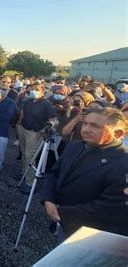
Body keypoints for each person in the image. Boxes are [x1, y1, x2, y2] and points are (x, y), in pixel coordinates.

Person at [42, 107, 128, 239]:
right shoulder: (75, 146)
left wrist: (62, 211)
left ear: (117, 134)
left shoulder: (123, 163)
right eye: (85, 123)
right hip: (61, 220)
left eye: (95, 126)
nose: (86, 129)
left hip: (86, 234)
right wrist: (48, 198)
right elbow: (54, 173)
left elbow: (109, 207)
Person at [16, 82, 56, 194]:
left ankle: (30, 183)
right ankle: (24, 173)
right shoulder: (28, 101)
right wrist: (19, 124)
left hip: (35, 133)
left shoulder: (46, 104)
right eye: (32, 89)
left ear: (43, 91)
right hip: (23, 129)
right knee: (24, 153)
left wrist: (42, 132)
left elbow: (53, 120)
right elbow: (23, 113)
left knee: (30, 157)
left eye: (37, 89)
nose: (34, 91)